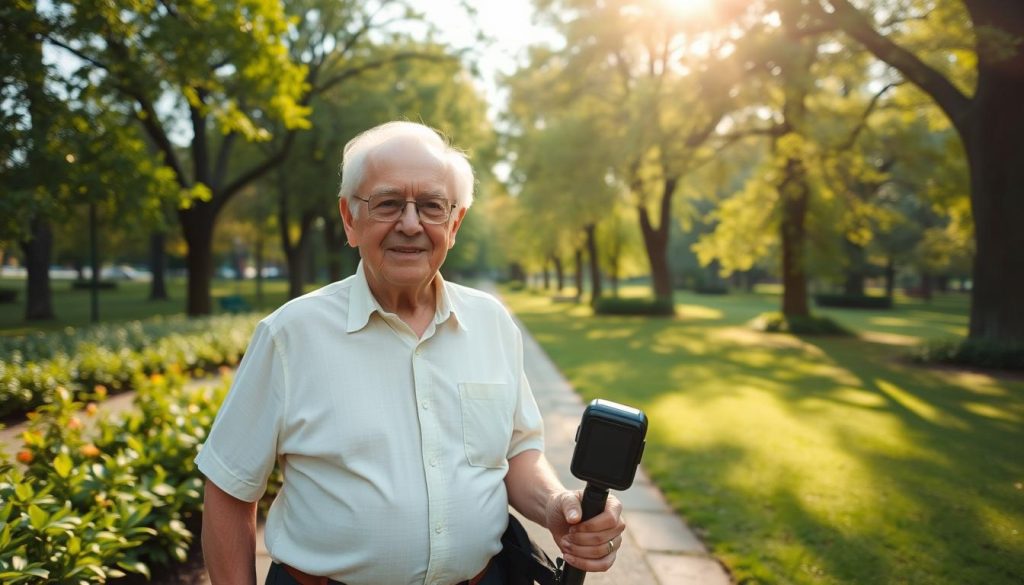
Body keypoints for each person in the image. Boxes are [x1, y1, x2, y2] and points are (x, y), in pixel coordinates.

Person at [196, 121, 626, 585]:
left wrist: (558, 505)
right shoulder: (289, 335)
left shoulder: (493, 324)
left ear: (454, 223)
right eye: (387, 203)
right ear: (349, 218)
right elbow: (228, 490)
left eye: (431, 206)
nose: (410, 223)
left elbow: (517, 452)